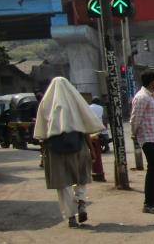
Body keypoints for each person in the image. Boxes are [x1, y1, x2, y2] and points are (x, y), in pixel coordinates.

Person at [33, 77, 103, 227]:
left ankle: (71, 217)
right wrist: (92, 150)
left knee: (63, 185)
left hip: (55, 150)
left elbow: (42, 133)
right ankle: (82, 202)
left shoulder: (46, 103)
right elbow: (86, 127)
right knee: (82, 177)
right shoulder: (76, 101)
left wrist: (42, 155)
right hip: (78, 146)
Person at [130, 71, 154, 214]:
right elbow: (135, 118)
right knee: (152, 170)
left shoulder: (151, 96)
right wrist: (133, 133)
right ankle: (148, 203)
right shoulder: (141, 98)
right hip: (148, 137)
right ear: (151, 81)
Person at [88, 97, 107, 182]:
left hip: (91, 127)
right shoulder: (101, 108)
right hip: (99, 127)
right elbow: (102, 117)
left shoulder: (88, 107)